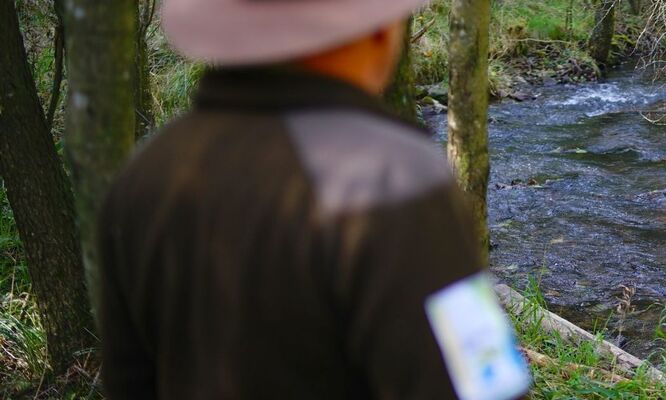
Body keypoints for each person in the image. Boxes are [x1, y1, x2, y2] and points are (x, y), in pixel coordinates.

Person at [94, 0, 531, 398]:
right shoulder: (394, 178)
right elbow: (483, 389)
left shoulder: (144, 177)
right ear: (376, 29)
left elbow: (130, 382)